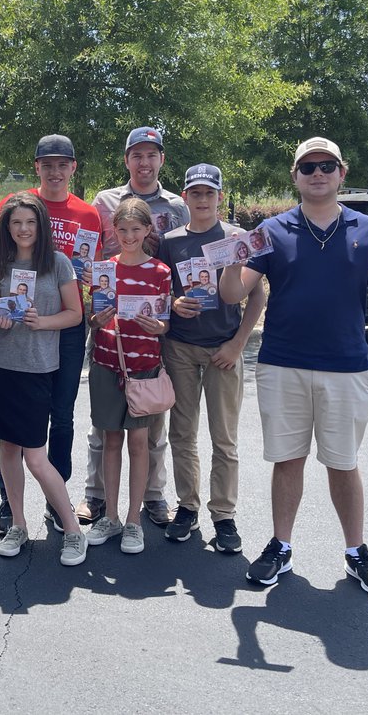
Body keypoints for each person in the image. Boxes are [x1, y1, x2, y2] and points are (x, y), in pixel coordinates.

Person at [218, 137, 368, 599]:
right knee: (287, 462)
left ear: (342, 173)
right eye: (308, 166)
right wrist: (228, 261)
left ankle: (356, 552)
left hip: (347, 365)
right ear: (295, 175)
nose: (317, 173)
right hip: (283, 363)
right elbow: (231, 294)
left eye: (326, 166)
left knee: (343, 465)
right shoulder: (271, 230)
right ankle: (281, 547)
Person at [0, 135, 102, 535]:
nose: (54, 170)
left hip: (63, 323)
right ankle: (8, 505)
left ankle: (56, 498)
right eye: (46, 163)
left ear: (72, 168)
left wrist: (94, 282)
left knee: (61, 415)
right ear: (37, 167)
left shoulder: (88, 213)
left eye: (61, 164)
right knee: (12, 429)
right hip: (16, 326)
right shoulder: (16, 203)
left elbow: (97, 265)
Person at [80, 126, 190, 527]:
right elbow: (87, 249)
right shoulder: (105, 200)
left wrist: (168, 314)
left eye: (152, 155)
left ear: (162, 159)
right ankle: (97, 497)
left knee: (149, 428)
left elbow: (183, 256)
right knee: (104, 430)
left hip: (149, 329)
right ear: (127, 160)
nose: (144, 163)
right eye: (136, 155)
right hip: (110, 330)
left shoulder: (178, 205)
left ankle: (153, 498)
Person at [158, 164, 266, 553]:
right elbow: (159, 288)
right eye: (195, 193)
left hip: (224, 347)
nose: (202, 200)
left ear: (220, 196)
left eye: (209, 193)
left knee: (225, 437)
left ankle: (224, 514)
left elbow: (257, 296)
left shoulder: (239, 238)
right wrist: (173, 303)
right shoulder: (170, 241)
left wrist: (239, 343)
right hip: (181, 347)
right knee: (182, 433)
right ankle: (187, 507)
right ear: (184, 197)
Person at [0, 193, 88, 566]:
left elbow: (74, 314)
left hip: (37, 369)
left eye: (30, 222)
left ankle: (72, 530)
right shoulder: (0, 266)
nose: (23, 229)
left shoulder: (58, 264)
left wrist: (44, 322)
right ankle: (18, 526)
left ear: (41, 225)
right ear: (7, 228)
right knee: (8, 450)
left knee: (37, 459)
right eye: (15, 223)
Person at [85, 199, 171, 555]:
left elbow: (165, 322)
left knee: (140, 444)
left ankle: (134, 520)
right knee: (110, 442)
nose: (129, 236)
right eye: (123, 230)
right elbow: (93, 318)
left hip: (144, 368)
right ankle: (112, 515)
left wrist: (158, 326)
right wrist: (97, 321)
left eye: (136, 229)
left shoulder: (160, 272)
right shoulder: (102, 270)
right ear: (114, 231)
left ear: (148, 230)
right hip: (107, 364)